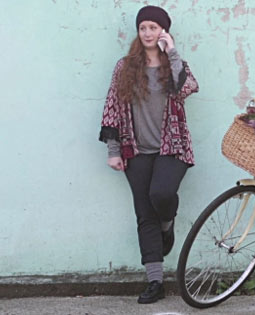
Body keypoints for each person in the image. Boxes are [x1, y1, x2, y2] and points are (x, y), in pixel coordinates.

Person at [98, 5, 198, 304]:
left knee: (162, 195)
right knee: (144, 215)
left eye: (154, 28)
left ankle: (168, 225)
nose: (148, 33)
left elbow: (188, 87)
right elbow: (112, 107)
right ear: (138, 32)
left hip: (172, 146)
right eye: (143, 28)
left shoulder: (175, 64)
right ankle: (155, 281)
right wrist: (114, 150)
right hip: (136, 150)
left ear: (163, 31)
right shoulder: (125, 67)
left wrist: (173, 52)